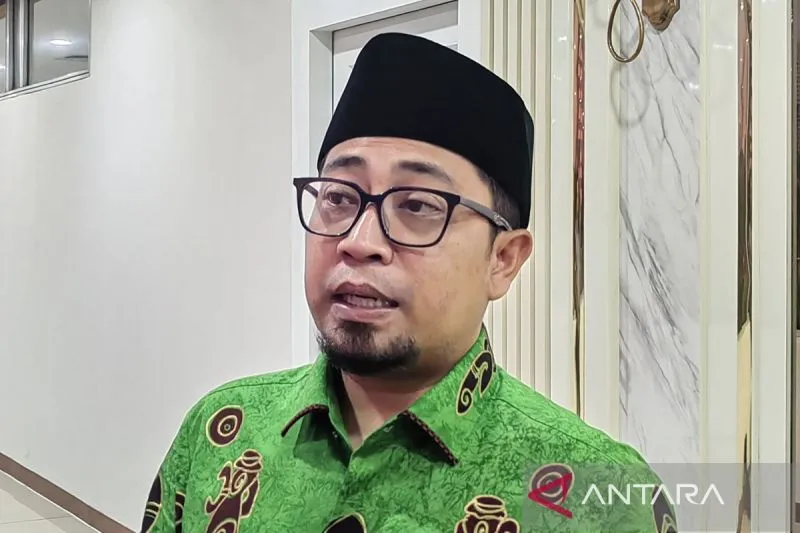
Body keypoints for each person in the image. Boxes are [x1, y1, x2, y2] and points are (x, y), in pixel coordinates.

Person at [139, 32, 677, 533]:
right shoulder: (222, 431)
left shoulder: (599, 496)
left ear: (503, 260)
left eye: (418, 205)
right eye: (339, 197)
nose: (358, 241)